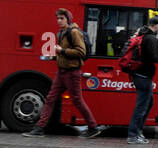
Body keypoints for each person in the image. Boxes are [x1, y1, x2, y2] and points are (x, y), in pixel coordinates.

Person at [23, 8, 102, 138]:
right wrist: (54, 57)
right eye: (58, 18)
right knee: (50, 99)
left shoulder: (74, 32)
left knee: (77, 101)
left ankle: (93, 127)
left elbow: (80, 52)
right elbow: (64, 53)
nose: (59, 21)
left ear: (68, 19)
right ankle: (39, 128)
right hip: (61, 72)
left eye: (62, 18)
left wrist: (62, 51)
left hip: (72, 72)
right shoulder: (61, 33)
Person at [126, 16, 158, 144]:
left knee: (148, 103)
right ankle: (133, 135)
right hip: (144, 76)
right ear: (155, 25)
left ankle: (138, 131)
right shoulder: (150, 38)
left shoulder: (142, 34)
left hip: (140, 75)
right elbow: (153, 58)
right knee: (141, 106)